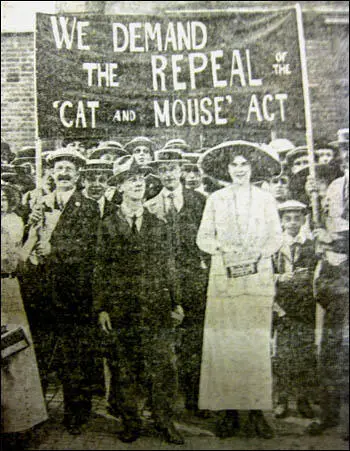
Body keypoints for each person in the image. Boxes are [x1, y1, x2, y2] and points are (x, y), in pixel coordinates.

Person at [93, 155, 184, 445]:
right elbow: (100, 268)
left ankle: (164, 421)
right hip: (121, 309)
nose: (136, 184)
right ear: (119, 187)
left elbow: (169, 264)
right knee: (125, 366)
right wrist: (102, 308)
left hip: (156, 306)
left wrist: (175, 302)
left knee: (163, 366)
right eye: (130, 180)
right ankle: (131, 421)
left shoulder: (158, 224)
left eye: (140, 180)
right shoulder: (108, 225)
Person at [197, 140, 283, 439]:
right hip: (225, 281)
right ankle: (228, 412)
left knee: (255, 348)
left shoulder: (265, 200)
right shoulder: (216, 200)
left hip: (257, 281)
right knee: (226, 348)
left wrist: (259, 252)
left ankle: (258, 411)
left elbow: (276, 237)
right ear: (227, 169)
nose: (239, 170)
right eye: (234, 165)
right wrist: (223, 248)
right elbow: (203, 239)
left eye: (244, 165)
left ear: (252, 168)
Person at [28, 148, 100, 435]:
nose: (64, 173)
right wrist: (33, 232)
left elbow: (88, 248)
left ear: (78, 174)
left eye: (70, 168)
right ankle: (38, 411)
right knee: (45, 351)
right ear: (52, 174)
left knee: (75, 354)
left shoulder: (89, 206)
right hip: (45, 291)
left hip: (74, 292)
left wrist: (54, 250)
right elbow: (27, 246)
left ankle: (77, 413)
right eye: (59, 169)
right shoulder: (40, 204)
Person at [145, 149, 209, 417]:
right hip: (164, 282)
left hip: (194, 279)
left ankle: (195, 401)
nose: (168, 174)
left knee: (194, 342)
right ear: (158, 173)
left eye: (172, 168)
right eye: (163, 169)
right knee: (163, 343)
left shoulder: (201, 201)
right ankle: (162, 404)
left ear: (181, 170)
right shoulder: (150, 205)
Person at [305, 128, 349, 441]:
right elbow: (324, 226)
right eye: (344, 150)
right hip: (333, 276)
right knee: (330, 350)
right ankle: (329, 414)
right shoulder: (334, 186)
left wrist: (334, 240)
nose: (346, 155)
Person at [1, 181, 48, 448]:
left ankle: (20, 420)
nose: (1, 202)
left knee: (14, 348)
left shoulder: (13, 222)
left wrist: (32, 236)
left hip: (8, 288)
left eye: (5, 197)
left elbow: (16, 258)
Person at [272, 200, 318, 420]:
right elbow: (265, 276)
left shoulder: (311, 245)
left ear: (303, 219)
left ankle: (302, 399)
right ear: (281, 221)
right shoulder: (274, 246)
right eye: (288, 218)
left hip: (305, 308)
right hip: (281, 308)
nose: (292, 223)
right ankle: (281, 399)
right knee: (281, 356)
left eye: (297, 218)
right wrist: (281, 278)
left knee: (304, 355)